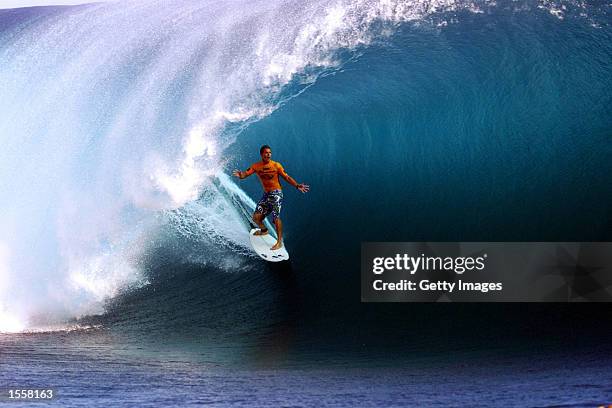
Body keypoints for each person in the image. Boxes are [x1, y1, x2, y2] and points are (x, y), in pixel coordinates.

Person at [233, 145, 309, 250]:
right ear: (261, 154)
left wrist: (297, 185)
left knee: (275, 217)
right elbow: (245, 174)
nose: (268, 154)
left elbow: (286, 177)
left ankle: (279, 242)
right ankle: (264, 230)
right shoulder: (256, 166)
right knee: (256, 218)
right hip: (266, 194)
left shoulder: (276, 165)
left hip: (277, 193)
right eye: (266, 153)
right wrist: (240, 175)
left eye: (270, 153)